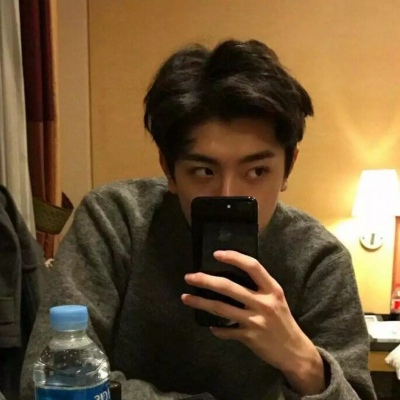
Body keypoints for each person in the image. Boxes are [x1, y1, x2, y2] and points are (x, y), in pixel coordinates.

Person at [21, 39, 377, 400]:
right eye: (204, 171)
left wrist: (301, 360)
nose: (227, 195)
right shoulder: (116, 221)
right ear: (169, 170)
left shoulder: (319, 259)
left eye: (257, 171)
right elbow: (48, 381)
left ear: (289, 167)